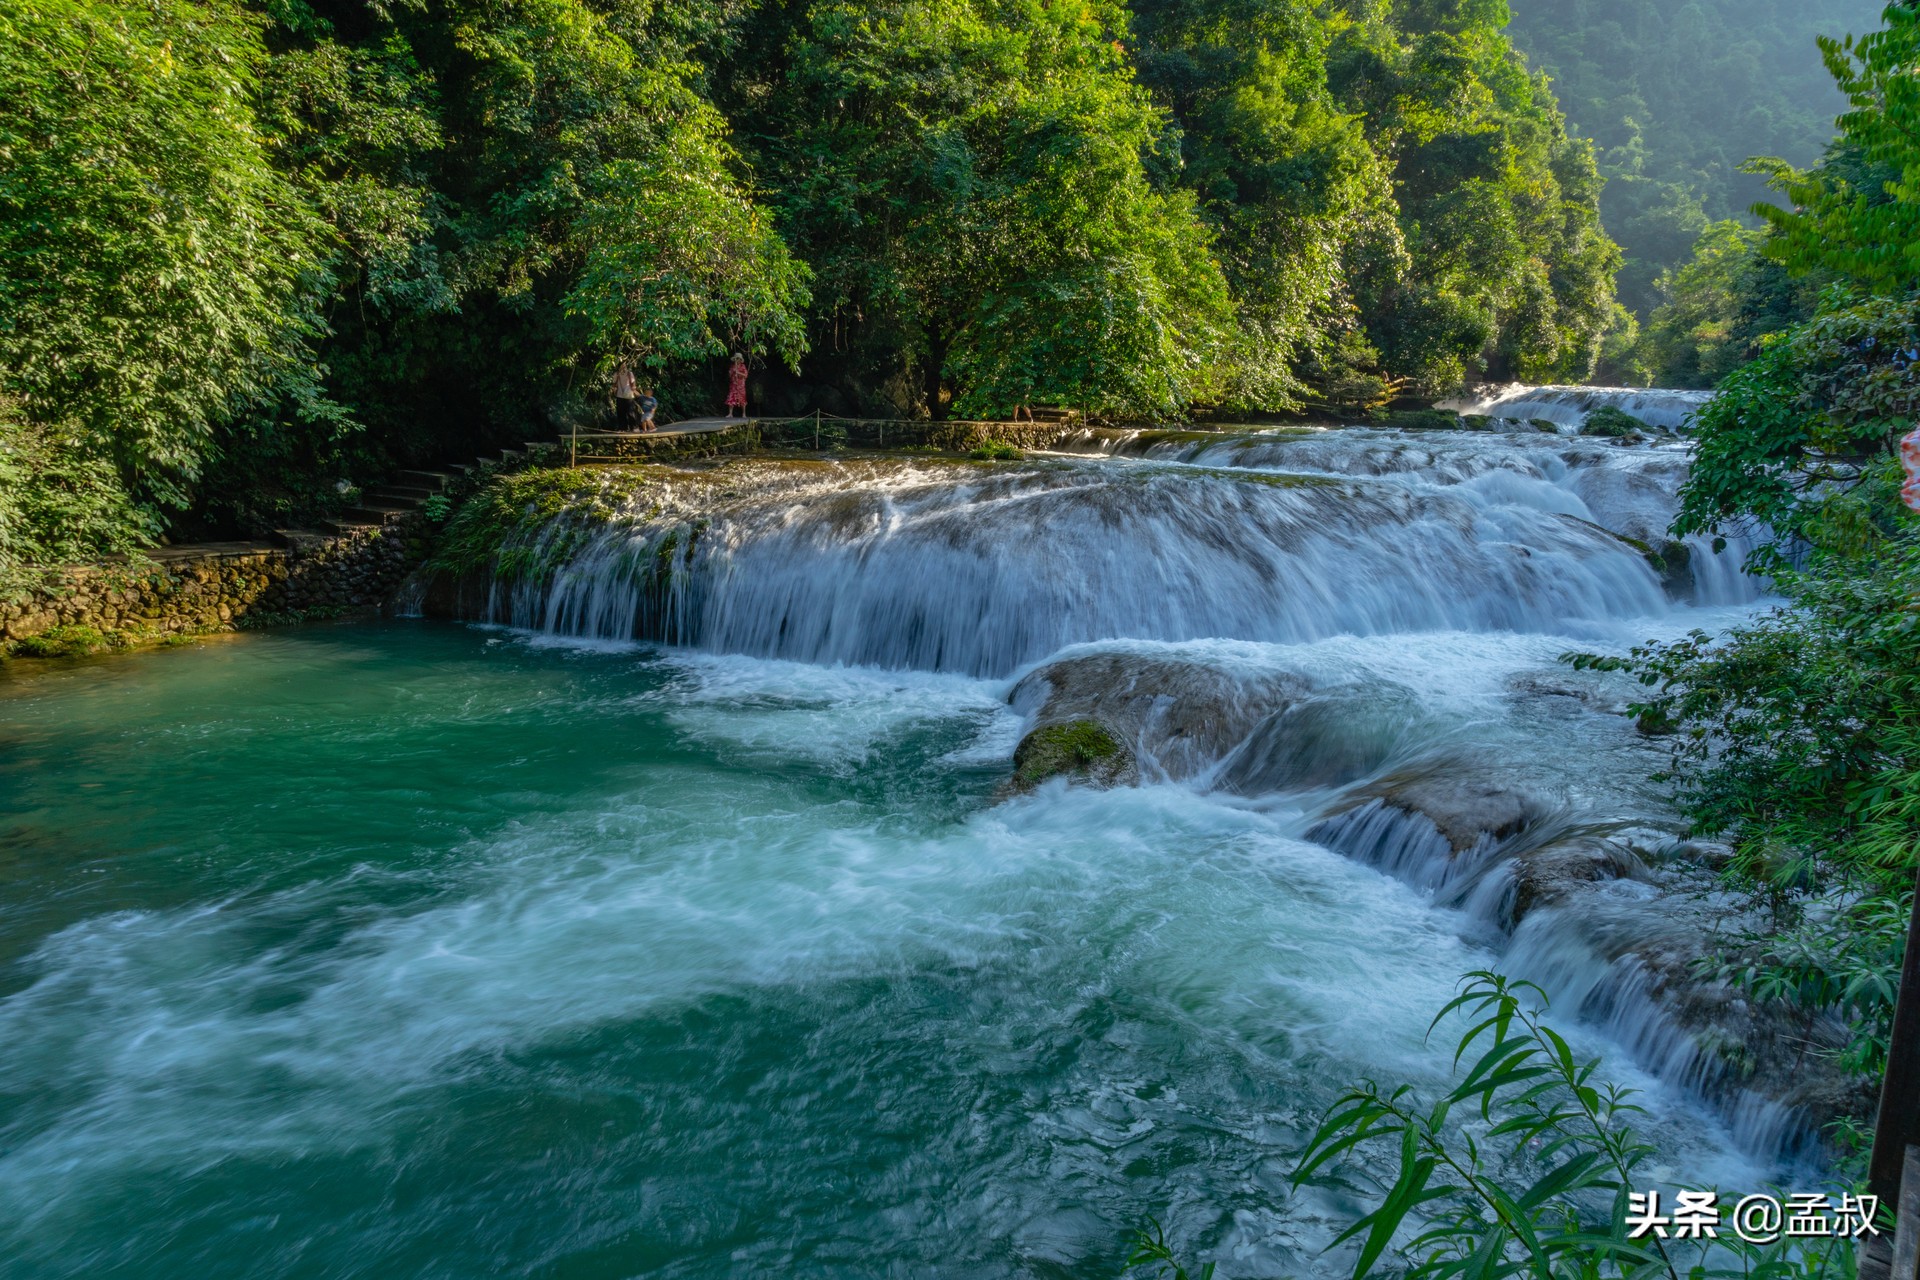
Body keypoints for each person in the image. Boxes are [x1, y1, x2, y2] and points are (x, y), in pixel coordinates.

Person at [613, 363, 638, 430]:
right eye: (622, 365)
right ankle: (623, 428)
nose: (624, 367)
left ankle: (634, 427)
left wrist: (634, 389)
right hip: (620, 395)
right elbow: (614, 383)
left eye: (625, 365)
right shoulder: (617, 374)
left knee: (631, 412)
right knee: (621, 413)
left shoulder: (630, 374)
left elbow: (633, 383)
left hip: (629, 395)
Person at [724, 353, 748, 419]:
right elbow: (730, 375)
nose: (737, 360)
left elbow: (746, 375)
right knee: (731, 397)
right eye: (736, 359)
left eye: (738, 359)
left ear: (740, 359)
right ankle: (730, 414)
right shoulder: (732, 366)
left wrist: (738, 372)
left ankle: (744, 414)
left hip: (741, 385)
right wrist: (731, 372)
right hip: (733, 384)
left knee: (742, 399)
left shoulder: (743, 366)